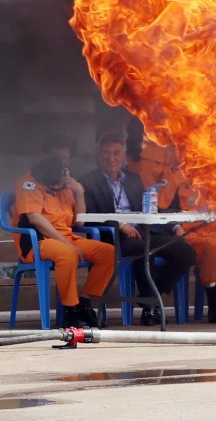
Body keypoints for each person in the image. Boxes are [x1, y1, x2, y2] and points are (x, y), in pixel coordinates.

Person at [81, 132, 196, 325]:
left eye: (116, 153)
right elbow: (88, 218)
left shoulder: (134, 178)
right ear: (98, 155)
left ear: (124, 156)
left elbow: (151, 207)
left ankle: (152, 297)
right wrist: (119, 225)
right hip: (114, 238)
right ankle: (150, 307)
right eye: (106, 153)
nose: (111, 158)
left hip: (144, 232)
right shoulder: (87, 182)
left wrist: (174, 225)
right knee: (145, 251)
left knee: (185, 251)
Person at [126, 117, 216, 322]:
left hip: (211, 223)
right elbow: (162, 205)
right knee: (211, 245)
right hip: (187, 228)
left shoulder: (209, 166)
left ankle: (152, 298)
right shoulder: (168, 172)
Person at [13, 152, 115, 327]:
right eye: (61, 179)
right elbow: (36, 219)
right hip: (38, 241)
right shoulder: (29, 183)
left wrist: (80, 193)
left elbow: (79, 221)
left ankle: (84, 302)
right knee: (67, 254)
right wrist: (67, 244)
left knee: (109, 253)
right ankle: (71, 310)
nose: (64, 181)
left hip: (67, 237)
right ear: (48, 178)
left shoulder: (66, 185)